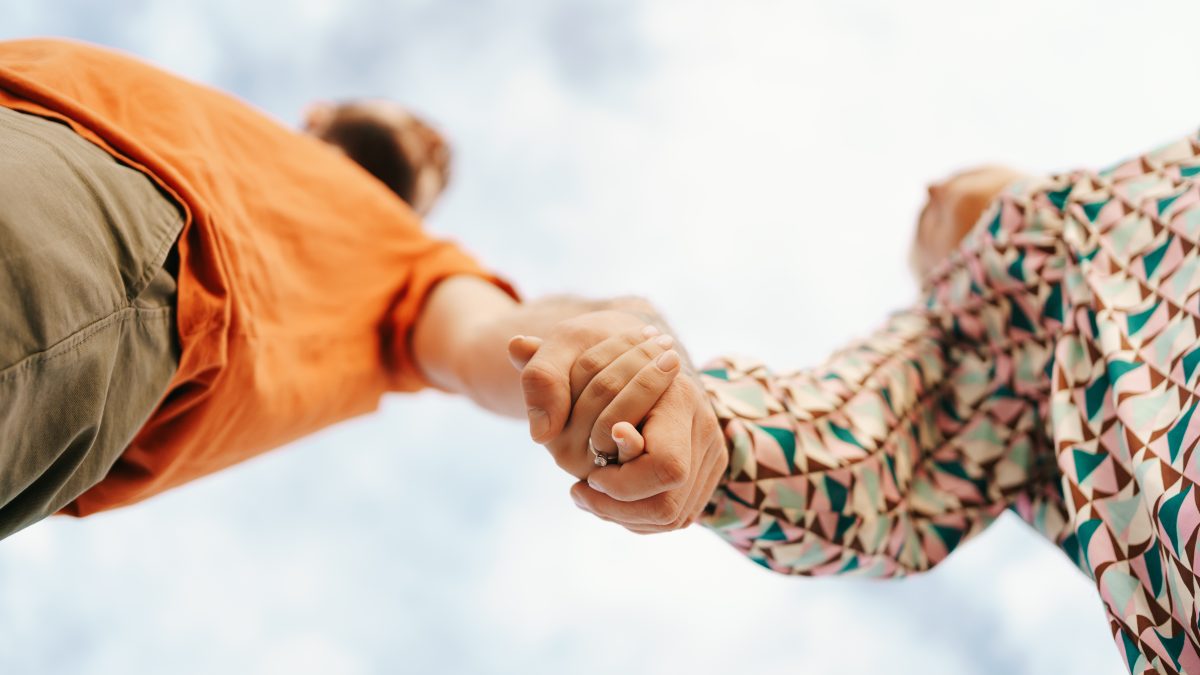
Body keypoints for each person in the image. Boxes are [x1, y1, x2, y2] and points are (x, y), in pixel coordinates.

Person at [517, 138, 1200, 673]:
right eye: (924, 228)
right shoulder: (970, 337)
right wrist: (703, 427)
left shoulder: (1174, 161)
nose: (931, 187)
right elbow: (855, 446)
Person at [0, 38, 686, 538]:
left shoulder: (409, 257)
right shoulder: (177, 98)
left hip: (116, 241)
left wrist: (614, 337)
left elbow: (493, 338)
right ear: (319, 112)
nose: (436, 140)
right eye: (416, 124)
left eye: (435, 168)